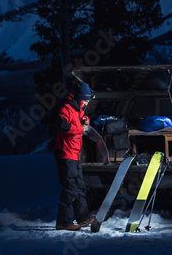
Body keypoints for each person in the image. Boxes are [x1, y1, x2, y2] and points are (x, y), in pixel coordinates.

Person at [54, 81, 95, 231]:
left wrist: (85, 121)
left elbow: (81, 121)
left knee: (79, 186)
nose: (87, 104)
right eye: (86, 101)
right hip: (65, 154)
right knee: (70, 188)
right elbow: (62, 125)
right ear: (81, 99)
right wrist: (80, 128)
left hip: (74, 155)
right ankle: (64, 222)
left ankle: (83, 218)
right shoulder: (66, 108)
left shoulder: (78, 110)